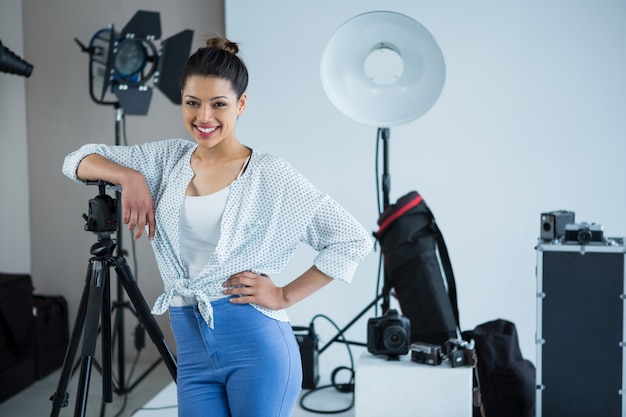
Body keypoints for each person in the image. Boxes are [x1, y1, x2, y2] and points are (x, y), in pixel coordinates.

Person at [62, 36, 373, 417]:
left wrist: (284, 295)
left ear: (241, 105)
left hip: (256, 349)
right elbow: (77, 160)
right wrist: (130, 178)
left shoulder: (269, 174)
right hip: (192, 352)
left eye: (218, 104)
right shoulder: (167, 160)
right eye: (192, 103)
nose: (203, 117)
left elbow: (351, 239)